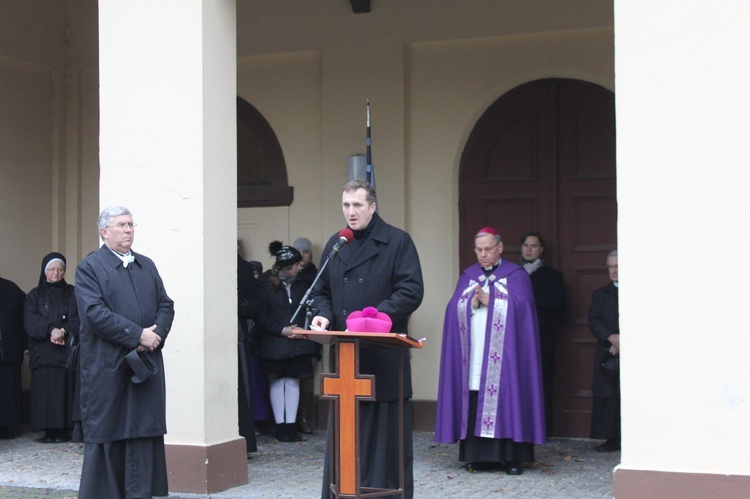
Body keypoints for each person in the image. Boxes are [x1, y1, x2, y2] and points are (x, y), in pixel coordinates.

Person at [312, 179, 424, 498]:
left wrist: (374, 318)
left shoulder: (398, 242)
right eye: (346, 205)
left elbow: (411, 290)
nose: (351, 212)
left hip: (384, 360)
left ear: (373, 207)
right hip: (347, 361)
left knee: (383, 443)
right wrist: (322, 314)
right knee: (346, 437)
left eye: (358, 205)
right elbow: (321, 291)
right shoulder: (338, 243)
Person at [74, 206, 175, 498]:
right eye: (121, 225)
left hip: (145, 365)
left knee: (143, 430)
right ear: (104, 232)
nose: (128, 229)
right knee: (111, 430)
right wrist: (136, 335)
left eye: (131, 224)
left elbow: (165, 305)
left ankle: (140, 491)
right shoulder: (90, 268)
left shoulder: (147, 265)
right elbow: (94, 314)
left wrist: (156, 334)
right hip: (109, 367)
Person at [436, 227, 545, 476]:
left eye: (488, 249)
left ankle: (513, 458)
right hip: (475, 355)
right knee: (475, 396)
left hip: (507, 359)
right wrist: (469, 303)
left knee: (510, 398)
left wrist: (493, 299)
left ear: (500, 248)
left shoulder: (516, 275)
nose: (483, 255)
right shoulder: (468, 276)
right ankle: (479, 457)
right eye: (479, 250)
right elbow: (453, 307)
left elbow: (525, 307)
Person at [253, 241, 319, 443]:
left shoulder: (304, 283)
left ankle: (291, 425)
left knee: (292, 381)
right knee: (277, 381)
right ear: (283, 267)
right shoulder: (265, 284)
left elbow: (312, 307)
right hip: (274, 341)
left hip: (298, 342)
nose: (299, 268)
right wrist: (282, 330)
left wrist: (302, 329)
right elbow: (260, 314)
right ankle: (280, 426)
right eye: (294, 266)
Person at [24, 252, 80, 443]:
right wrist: (50, 330)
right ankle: (47, 430)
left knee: (65, 390)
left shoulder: (73, 293)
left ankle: (64, 429)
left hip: (65, 352)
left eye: (60, 269)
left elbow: (78, 318)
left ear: (64, 271)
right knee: (45, 391)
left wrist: (63, 330)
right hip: (43, 353)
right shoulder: (34, 295)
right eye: (52, 269)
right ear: (44, 271)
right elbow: (30, 321)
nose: (56, 273)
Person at [519, 231, 566, 432]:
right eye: (526, 245)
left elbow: (559, 303)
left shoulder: (552, 275)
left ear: (541, 250)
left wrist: (531, 301)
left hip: (541, 336)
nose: (529, 249)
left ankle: (543, 427)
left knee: (541, 380)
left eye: (534, 246)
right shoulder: (512, 274)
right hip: (516, 335)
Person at [588, 249, 620, 452]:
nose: (614, 271)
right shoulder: (600, 294)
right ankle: (611, 437)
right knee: (608, 394)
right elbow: (594, 319)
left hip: (632, 349)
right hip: (607, 351)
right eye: (610, 267)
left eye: (618, 266)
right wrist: (611, 338)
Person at [292, 236, 319, 434]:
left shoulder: (316, 275)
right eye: (299, 252)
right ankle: (289, 420)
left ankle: (304, 417)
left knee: (307, 375)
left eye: (306, 252)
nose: (302, 256)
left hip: (310, 331)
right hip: (289, 330)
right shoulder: (284, 274)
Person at [0, 274, 25, 440]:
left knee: (7, 390)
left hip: (8, 350)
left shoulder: (11, 289)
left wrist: (25, 344)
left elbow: (23, 319)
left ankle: (6, 426)